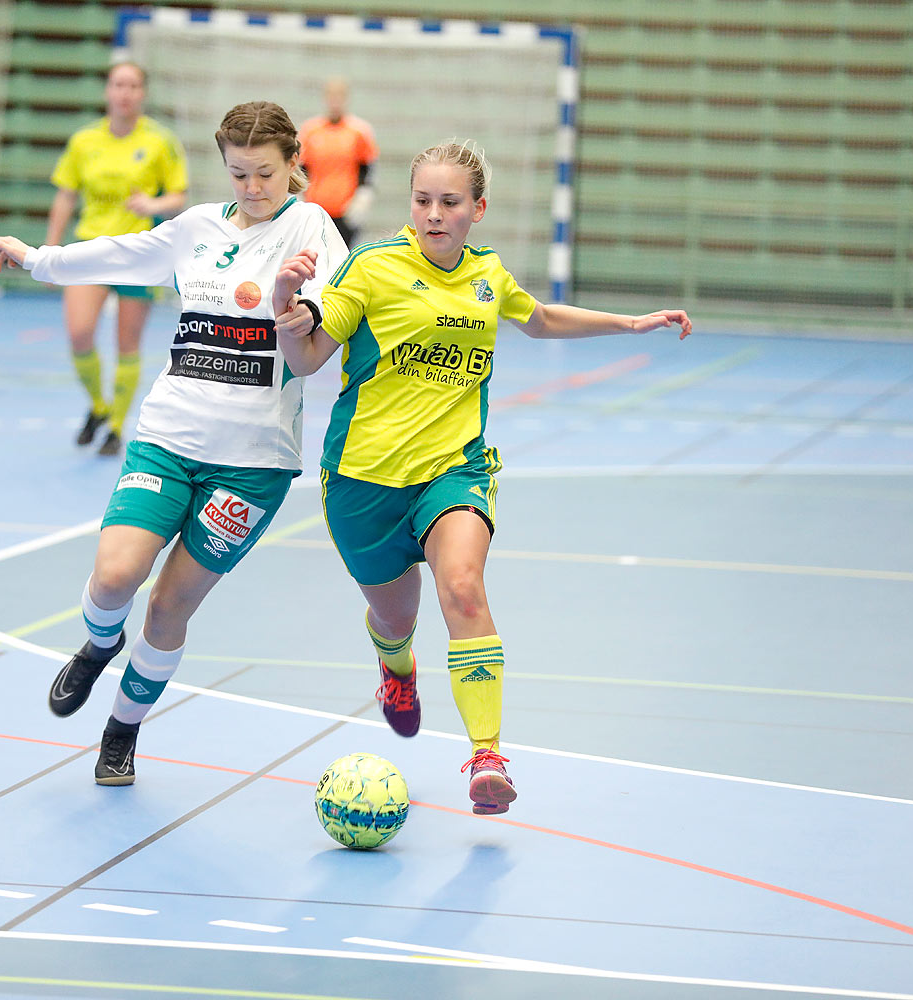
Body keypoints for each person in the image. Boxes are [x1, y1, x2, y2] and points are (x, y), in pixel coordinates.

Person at [271, 139, 692, 815]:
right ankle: (396, 666)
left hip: (454, 470)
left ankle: (486, 756)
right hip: (362, 481)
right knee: (393, 614)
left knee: (463, 587)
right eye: (422, 200)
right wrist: (288, 308)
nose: (433, 213)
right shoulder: (373, 267)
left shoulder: (488, 275)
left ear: (477, 209)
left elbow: (541, 317)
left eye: (449, 202)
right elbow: (309, 355)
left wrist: (629, 322)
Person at [0, 101, 348, 786]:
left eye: (265, 173)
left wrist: (298, 306)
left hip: (252, 465)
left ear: (294, 164)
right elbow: (119, 251)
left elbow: (321, 329)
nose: (252, 187)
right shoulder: (198, 229)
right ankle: (97, 645)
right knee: (116, 576)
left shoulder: (313, 229)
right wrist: (36, 259)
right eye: (238, 173)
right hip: (169, 438)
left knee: (171, 605)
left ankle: (120, 733)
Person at [47, 62, 189, 456]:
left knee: (127, 343)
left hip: (139, 254)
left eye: (133, 85)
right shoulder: (84, 141)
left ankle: (114, 427)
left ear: (142, 93)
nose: (125, 92)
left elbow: (179, 195)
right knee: (79, 334)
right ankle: (97, 405)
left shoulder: (160, 141)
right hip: (90, 250)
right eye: (118, 84)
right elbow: (65, 195)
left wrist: (153, 203)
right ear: (107, 90)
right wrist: (51, 248)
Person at [298, 76, 377, 249]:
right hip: (316, 209)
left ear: (346, 99)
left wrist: (361, 201)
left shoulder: (359, 131)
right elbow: (302, 169)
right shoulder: (310, 131)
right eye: (331, 96)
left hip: (345, 211)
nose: (335, 101)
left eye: (339, 96)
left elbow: (366, 170)